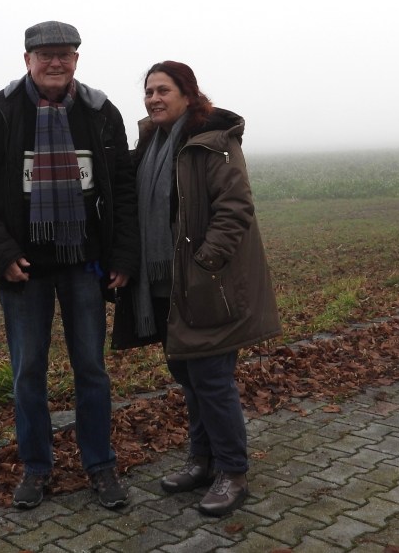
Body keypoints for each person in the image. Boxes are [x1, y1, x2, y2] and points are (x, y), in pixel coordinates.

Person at [0, 21, 140, 510]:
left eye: (65, 54)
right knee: (28, 372)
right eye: (45, 54)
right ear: (27, 60)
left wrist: (122, 255)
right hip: (24, 268)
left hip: (84, 263)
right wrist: (0, 253)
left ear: (76, 59)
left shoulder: (101, 112)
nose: (55, 62)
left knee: (92, 369)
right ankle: (36, 467)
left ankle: (100, 465)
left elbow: (123, 188)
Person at [112, 60, 282, 517]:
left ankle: (233, 472)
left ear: (188, 94)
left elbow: (235, 206)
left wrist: (205, 261)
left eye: (163, 90)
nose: (153, 99)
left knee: (211, 378)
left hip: (206, 282)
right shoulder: (151, 143)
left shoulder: (213, 142)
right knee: (188, 376)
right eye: (149, 91)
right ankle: (202, 460)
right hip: (163, 284)